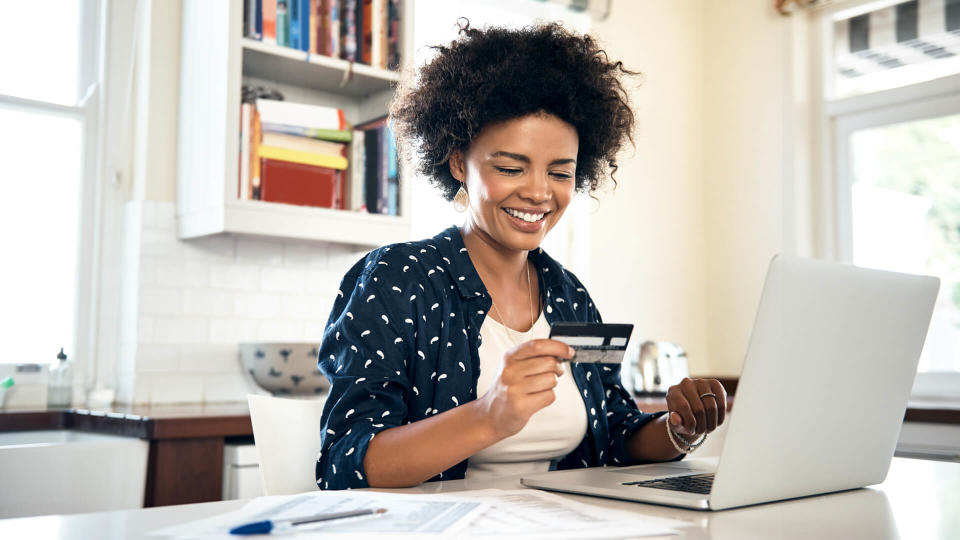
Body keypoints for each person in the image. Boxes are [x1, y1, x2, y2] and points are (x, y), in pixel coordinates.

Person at [315, 20, 727, 490]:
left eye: (560, 173)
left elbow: (612, 434)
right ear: (457, 163)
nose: (537, 192)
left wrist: (678, 430)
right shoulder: (396, 278)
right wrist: (488, 416)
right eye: (511, 167)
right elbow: (345, 464)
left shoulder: (570, 296)